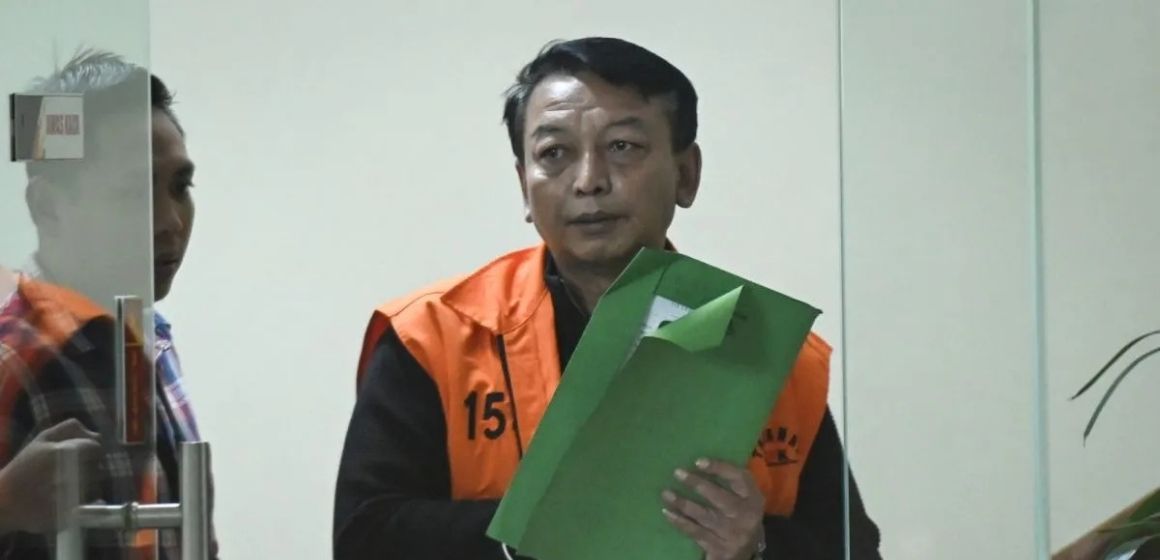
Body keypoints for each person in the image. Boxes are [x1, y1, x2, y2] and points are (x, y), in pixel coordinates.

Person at [334, 37, 881, 560]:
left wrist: (755, 546)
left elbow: (853, 549)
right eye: (554, 153)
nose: (589, 180)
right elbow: (364, 537)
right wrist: (532, 534)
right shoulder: (438, 335)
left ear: (686, 174)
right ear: (524, 186)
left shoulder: (765, 348)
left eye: (623, 147)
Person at [0, 49, 215, 559]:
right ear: (48, 207)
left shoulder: (147, 338)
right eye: (134, 194)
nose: (170, 222)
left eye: (180, 187)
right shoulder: (15, 360)